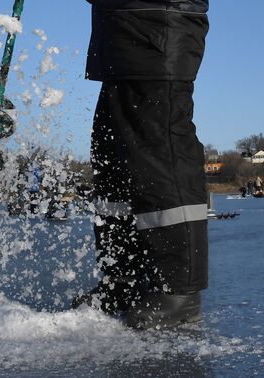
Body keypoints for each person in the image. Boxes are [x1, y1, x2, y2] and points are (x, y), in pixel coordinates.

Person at [72, 0, 209, 329]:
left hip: (157, 28)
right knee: (113, 161)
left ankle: (179, 289)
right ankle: (125, 280)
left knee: (159, 153)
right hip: (122, 32)